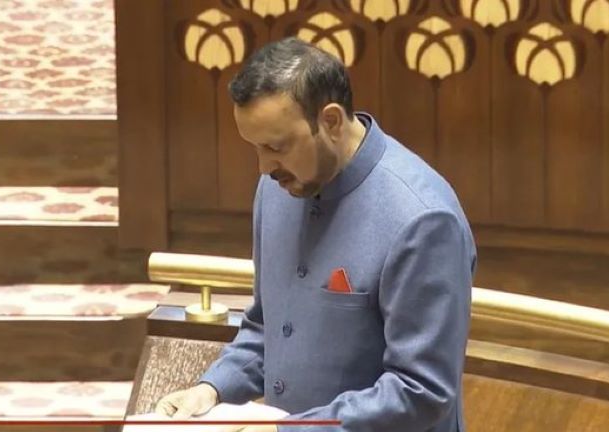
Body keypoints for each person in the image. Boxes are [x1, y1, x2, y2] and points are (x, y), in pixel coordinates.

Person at [156, 37, 476, 432]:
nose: (263, 167)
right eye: (256, 148)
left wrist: (287, 431)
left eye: (276, 146)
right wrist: (212, 389)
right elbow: (266, 327)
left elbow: (421, 392)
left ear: (331, 122)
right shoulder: (277, 188)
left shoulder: (423, 220)